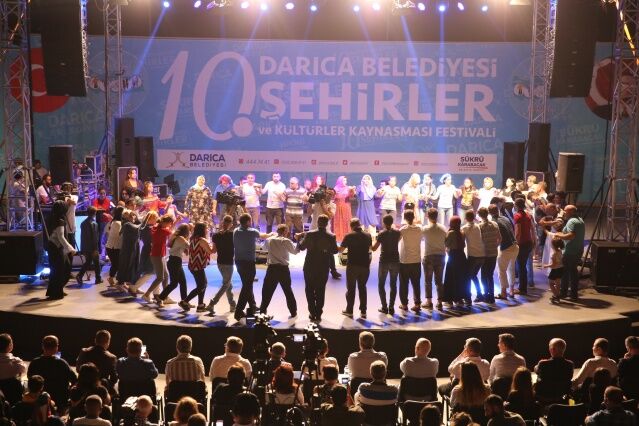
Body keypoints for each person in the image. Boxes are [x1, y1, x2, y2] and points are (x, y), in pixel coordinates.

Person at [298, 214, 339, 322]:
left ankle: (312, 312)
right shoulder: (331, 236)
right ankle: (318, 313)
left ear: (317, 222)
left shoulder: (310, 234)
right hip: (323, 267)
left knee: (309, 290)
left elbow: (301, 247)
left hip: (309, 266)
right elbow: (335, 251)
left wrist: (299, 239)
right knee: (321, 291)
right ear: (327, 223)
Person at [233, 213, 271, 321]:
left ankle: (253, 305)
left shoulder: (236, 231)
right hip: (248, 262)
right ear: (248, 222)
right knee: (247, 286)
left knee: (247, 284)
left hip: (238, 261)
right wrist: (271, 234)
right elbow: (263, 236)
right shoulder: (252, 231)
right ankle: (238, 311)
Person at [27, 335, 78, 413]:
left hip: (39, 402)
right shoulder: (62, 363)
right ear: (56, 348)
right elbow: (74, 380)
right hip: (60, 403)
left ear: (43, 346)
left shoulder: (34, 363)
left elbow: (30, 379)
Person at [259, 224, 299, 317]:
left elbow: (263, 249)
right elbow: (295, 252)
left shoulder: (269, 240)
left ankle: (262, 311)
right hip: (283, 269)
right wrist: (298, 241)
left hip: (272, 268)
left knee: (267, 292)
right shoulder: (286, 241)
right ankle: (293, 312)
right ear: (285, 231)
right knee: (288, 291)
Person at [339, 218, 373, 318]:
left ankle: (349, 310)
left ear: (351, 226)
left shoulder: (349, 236)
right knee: (362, 288)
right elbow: (370, 249)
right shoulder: (368, 235)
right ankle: (363, 311)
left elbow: (340, 250)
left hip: (352, 266)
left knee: (351, 289)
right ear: (360, 224)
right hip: (365, 266)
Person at [552, 205, 585, 301]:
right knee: (573, 272)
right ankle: (574, 294)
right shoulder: (580, 220)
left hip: (570, 251)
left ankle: (563, 293)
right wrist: (562, 234)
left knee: (565, 273)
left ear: (571, 212)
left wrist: (559, 236)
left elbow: (571, 236)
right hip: (578, 250)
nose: (564, 213)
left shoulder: (572, 221)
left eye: (565, 211)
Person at [45, 200, 76, 299]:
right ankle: (56, 293)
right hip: (56, 247)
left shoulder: (53, 217)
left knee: (58, 270)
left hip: (53, 246)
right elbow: (61, 237)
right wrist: (70, 249)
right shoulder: (60, 220)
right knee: (59, 270)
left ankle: (57, 291)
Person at [180, 223, 213, 312]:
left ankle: (200, 305)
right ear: (202, 230)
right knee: (202, 286)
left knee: (202, 285)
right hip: (197, 266)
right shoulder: (202, 240)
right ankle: (185, 301)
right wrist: (216, 243)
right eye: (206, 228)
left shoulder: (193, 238)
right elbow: (211, 251)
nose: (207, 230)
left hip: (193, 265)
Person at [207, 215, 237, 315]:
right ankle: (212, 303)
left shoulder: (216, 235)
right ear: (231, 224)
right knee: (226, 284)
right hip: (229, 262)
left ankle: (232, 304)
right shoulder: (233, 235)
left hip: (220, 262)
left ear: (222, 222)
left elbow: (213, 251)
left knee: (228, 284)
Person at [372, 214, 401, 315]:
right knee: (393, 284)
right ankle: (391, 307)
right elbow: (398, 240)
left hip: (384, 261)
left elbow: (374, 248)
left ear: (383, 223)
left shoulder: (381, 233)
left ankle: (384, 307)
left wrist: (368, 244)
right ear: (392, 222)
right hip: (395, 260)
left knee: (381, 285)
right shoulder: (397, 233)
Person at [489, 205, 519, 300]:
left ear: (489, 213)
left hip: (506, 248)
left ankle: (503, 293)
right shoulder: (505, 218)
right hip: (515, 246)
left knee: (502, 270)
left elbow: (497, 237)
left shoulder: (493, 222)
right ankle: (511, 290)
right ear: (497, 210)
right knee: (511, 268)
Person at [156, 224, 190, 307]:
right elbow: (190, 246)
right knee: (174, 283)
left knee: (182, 282)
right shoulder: (181, 238)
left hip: (174, 260)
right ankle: (160, 297)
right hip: (175, 261)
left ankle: (184, 301)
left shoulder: (176, 237)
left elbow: (182, 248)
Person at [142, 215, 174, 301]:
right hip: (157, 255)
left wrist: (175, 222)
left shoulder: (156, 227)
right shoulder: (162, 230)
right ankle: (146, 294)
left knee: (166, 276)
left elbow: (168, 230)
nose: (170, 225)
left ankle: (165, 296)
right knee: (160, 277)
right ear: (166, 223)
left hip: (159, 254)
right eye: (169, 224)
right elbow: (172, 234)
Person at [534, 338, 574, 403]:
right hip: (563, 398)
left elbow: (536, 369)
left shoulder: (543, 363)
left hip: (544, 398)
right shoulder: (570, 364)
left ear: (552, 349)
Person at [422, 208, 447, 310]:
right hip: (441, 256)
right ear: (437, 216)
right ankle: (440, 302)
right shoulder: (443, 228)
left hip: (429, 256)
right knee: (439, 280)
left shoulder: (425, 229)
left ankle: (429, 301)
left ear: (427, 216)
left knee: (428, 280)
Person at [399, 210, 423, 313]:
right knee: (416, 283)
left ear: (404, 218)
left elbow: (397, 240)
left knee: (404, 284)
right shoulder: (420, 229)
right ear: (414, 217)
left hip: (404, 260)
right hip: (416, 260)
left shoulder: (402, 230)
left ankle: (404, 304)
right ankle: (417, 304)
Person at [443, 216, 468, 307]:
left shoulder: (450, 233)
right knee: (460, 278)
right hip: (461, 256)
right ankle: (459, 299)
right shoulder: (462, 232)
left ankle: (449, 299)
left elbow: (446, 244)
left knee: (451, 278)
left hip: (453, 256)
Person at [477, 207, 500, 304]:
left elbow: (479, 240)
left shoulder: (480, 226)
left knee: (483, 275)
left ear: (479, 215)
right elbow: (500, 238)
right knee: (490, 275)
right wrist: (495, 246)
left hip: (484, 253)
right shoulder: (494, 224)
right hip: (493, 253)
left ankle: (486, 294)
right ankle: (491, 296)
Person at [513, 198, 535, 295]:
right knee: (524, 266)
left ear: (516, 205)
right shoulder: (528, 215)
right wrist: (534, 241)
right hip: (528, 242)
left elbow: (518, 232)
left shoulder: (517, 216)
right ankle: (523, 287)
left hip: (521, 244)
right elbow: (531, 229)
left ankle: (522, 289)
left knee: (521, 267)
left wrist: (515, 243)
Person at [462, 210, 485, 303]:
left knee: (468, 277)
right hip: (482, 255)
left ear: (466, 218)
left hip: (473, 255)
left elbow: (462, 243)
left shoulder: (464, 228)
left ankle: (468, 297)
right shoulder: (478, 226)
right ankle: (479, 294)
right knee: (473, 275)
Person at [116, 210, 141, 291]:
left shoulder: (131, 224)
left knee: (131, 266)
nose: (133, 217)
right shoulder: (127, 224)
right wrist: (145, 221)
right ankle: (120, 284)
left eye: (134, 215)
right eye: (131, 215)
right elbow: (138, 227)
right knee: (125, 265)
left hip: (132, 248)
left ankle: (126, 283)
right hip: (127, 249)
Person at [77, 207, 102, 285]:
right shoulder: (94, 223)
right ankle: (98, 278)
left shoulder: (83, 223)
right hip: (92, 247)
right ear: (95, 213)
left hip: (85, 246)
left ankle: (80, 275)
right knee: (96, 263)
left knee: (88, 262)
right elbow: (94, 237)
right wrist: (95, 248)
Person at [104, 207, 124, 287]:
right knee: (116, 264)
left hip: (112, 246)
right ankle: (113, 279)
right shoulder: (117, 223)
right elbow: (120, 235)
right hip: (114, 247)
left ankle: (113, 279)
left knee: (116, 264)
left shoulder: (113, 222)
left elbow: (107, 231)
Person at [333, 176, 355, 242]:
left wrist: (352, 190)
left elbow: (352, 196)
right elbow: (333, 198)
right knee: (338, 221)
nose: (345, 182)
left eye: (346, 180)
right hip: (338, 207)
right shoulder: (336, 188)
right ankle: (338, 237)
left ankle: (348, 237)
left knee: (346, 221)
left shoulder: (348, 188)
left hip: (346, 207)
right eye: (344, 180)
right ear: (340, 181)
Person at [92, 187, 113, 253]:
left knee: (106, 236)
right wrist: (100, 209)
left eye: (104, 193)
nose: (103, 195)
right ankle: (100, 251)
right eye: (101, 193)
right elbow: (95, 209)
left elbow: (104, 209)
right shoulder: (96, 200)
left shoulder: (107, 200)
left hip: (106, 221)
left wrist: (99, 209)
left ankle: (107, 251)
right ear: (99, 194)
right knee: (99, 236)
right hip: (98, 221)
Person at [618, 335, 639, 400]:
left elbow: (619, 377)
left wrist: (624, 359)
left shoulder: (625, 362)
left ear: (628, 347)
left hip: (630, 396)